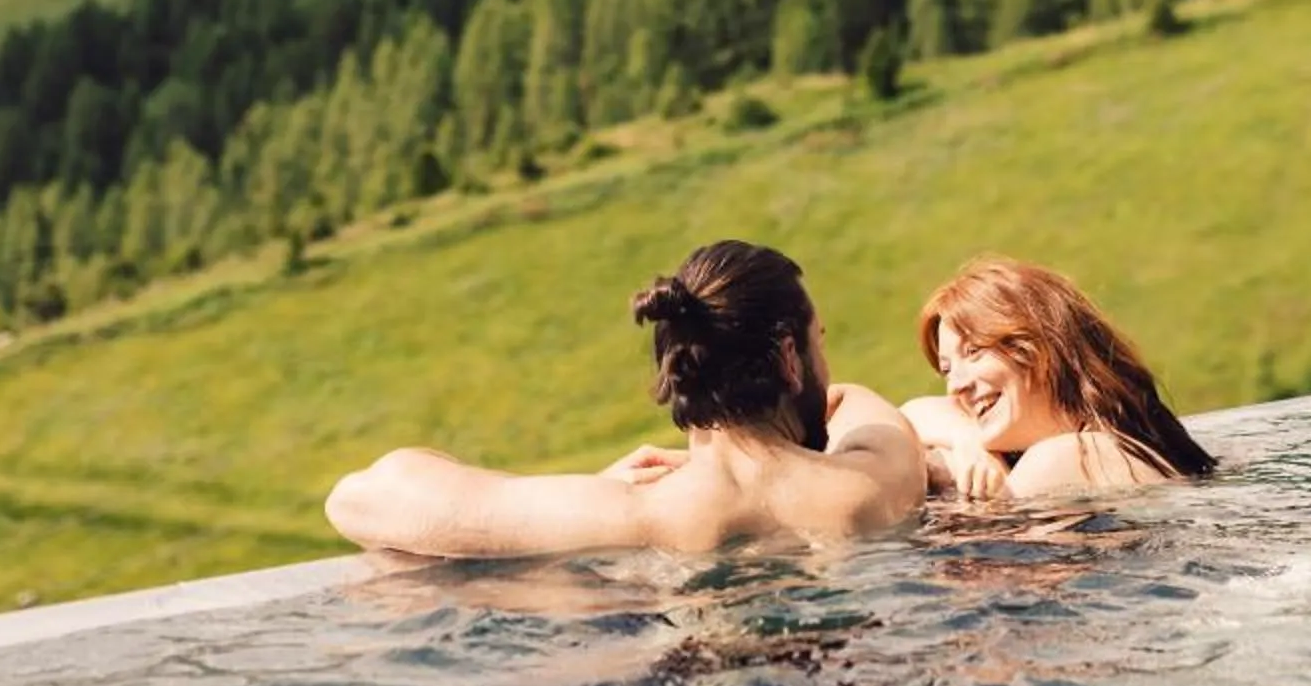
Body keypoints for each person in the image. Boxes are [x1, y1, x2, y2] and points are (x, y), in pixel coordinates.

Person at [324, 239, 924, 557]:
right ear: (791, 358)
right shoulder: (870, 487)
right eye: (820, 343)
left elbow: (359, 498)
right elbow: (853, 403)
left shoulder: (633, 513)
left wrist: (597, 487)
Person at [903, 257, 1216, 500]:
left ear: (1041, 350)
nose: (956, 385)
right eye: (947, 369)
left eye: (974, 351)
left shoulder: (1063, 459)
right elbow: (910, 415)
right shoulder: (1117, 443)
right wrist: (968, 441)